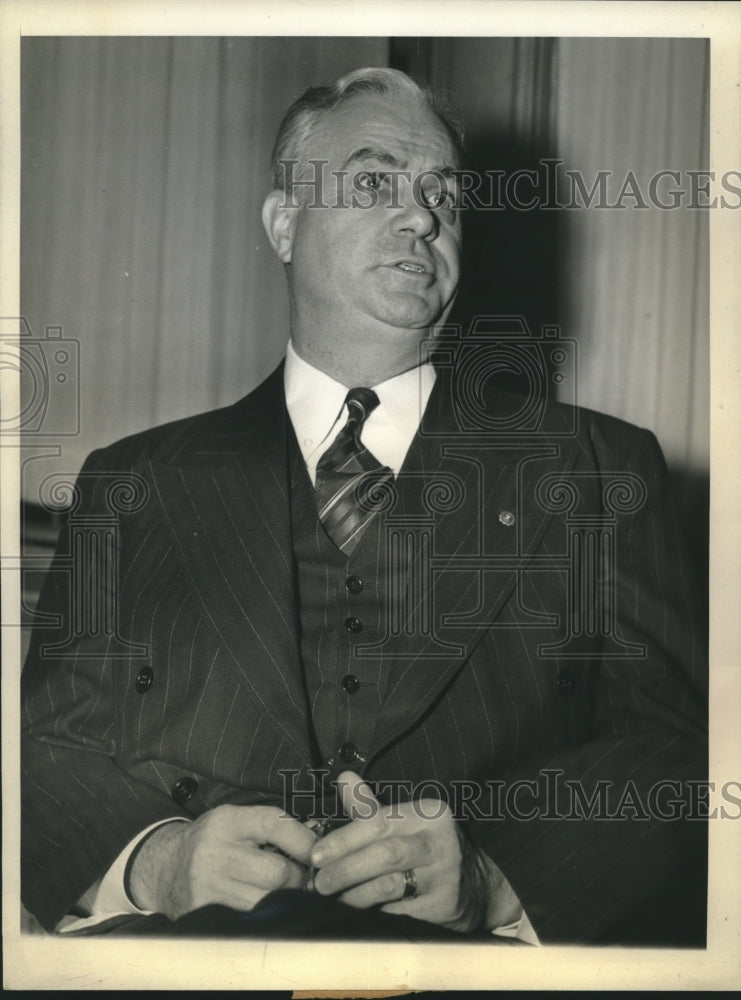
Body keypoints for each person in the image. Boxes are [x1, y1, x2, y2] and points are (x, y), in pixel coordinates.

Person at [21, 67, 707, 945]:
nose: (421, 217)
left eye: (442, 196)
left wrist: (499, 879)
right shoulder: (134, 482)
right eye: (375, 182)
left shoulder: (599, 469)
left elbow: (674, 748)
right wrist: (159, 859)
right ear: (283, 224)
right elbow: (42, 751)